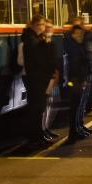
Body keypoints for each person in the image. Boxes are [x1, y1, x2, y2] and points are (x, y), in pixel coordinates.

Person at [21, 16, 59, 147]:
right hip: (37, 78)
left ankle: (37, 136)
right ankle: (36, 138)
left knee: (37, 108)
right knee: (37, 109)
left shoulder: (32, 39)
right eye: (42, 25)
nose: (43, 28)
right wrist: (47, 44)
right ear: (36, 25)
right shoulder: (32, 40)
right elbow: (40, 59)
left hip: (37, 77)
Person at [63, 23, 92, 142]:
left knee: (78, 106)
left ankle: (77, 129)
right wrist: (82, 79)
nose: (81, 35)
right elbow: (76, 65)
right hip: (76, 80)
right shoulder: (74, 46)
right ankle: (74, 131)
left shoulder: (77, 44)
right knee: (76, 106)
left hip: (79, 79)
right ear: (74, 33)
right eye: (79, 33)